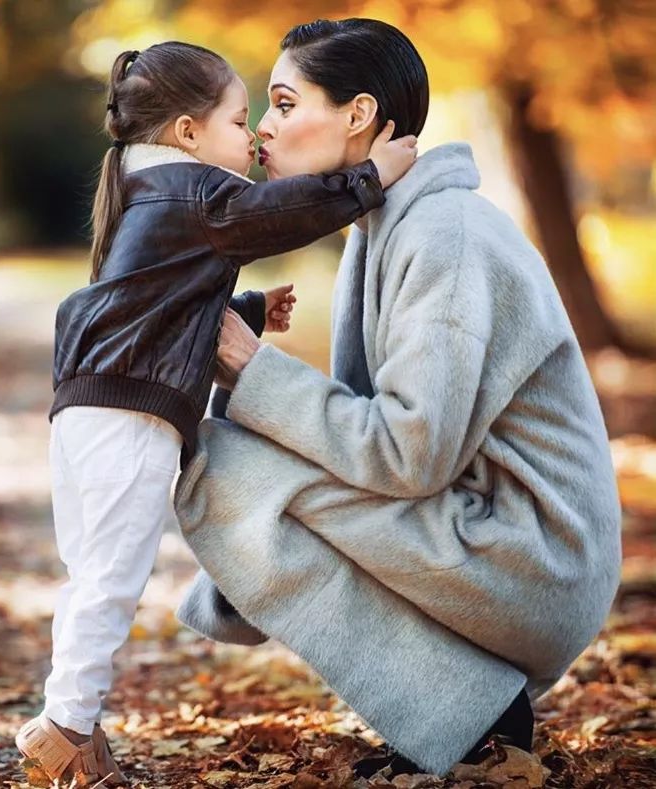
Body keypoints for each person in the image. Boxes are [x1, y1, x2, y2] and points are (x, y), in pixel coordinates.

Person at [173, 19, 623, 779]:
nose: (265, 132)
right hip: (488, 535)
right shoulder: (387, 225)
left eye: (284, 105)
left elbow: (407, 452)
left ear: (359, 115)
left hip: (534, 559)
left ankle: (475, 720)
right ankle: (459, 711)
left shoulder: (444, 236)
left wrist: (247, 364)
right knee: (235, 458)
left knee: (222, 471)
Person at [13, 40, 418, 787]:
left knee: (88, 571)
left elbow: (159, 300)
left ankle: (75, 724)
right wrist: (368, 179)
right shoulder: (194, 190)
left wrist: (250, 309)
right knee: (111, 575)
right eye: (239, 119)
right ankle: (64, 724)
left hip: (86, 407)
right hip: (128, 414)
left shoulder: (150, 191)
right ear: (189, 132)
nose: (254, 134)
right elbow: (277, 215)